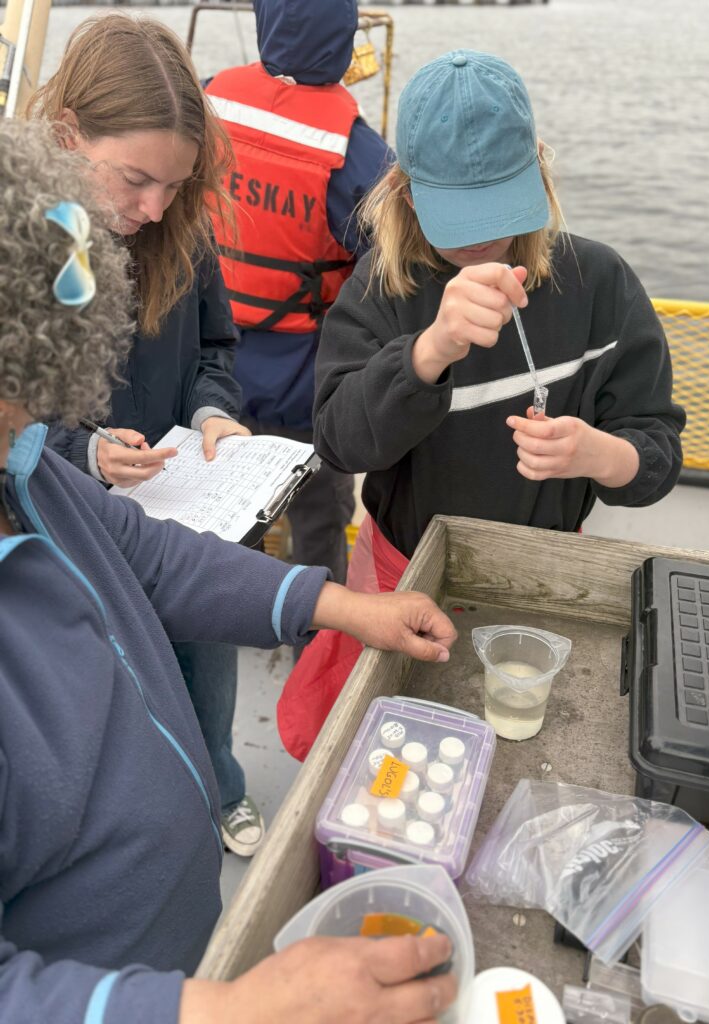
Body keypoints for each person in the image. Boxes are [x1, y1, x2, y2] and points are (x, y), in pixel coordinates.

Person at [0, 116, 458, 1024]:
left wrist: (336, 606)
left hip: (185, 959)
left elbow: (149, 556)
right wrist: (230, 1013)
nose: (32, 438)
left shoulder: (28, 470)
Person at [277, 49, 686, 759]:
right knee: (399, 759)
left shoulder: (601, 283)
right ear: (406, 195)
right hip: (403, 577)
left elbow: (657, 456)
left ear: (537, 173)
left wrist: (600, 453)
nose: (477, 237)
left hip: (546, 581)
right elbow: (339, 443)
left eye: (496, 206)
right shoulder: (381, 288)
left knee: (532, 753)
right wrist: (427, 352)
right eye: (456, 213)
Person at [31, 13, 264, 856]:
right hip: (70, 525)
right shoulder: (25, 244)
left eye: (175, 186)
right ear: (66, 136)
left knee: (205, 651)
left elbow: (214, 350)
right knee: (101, 684)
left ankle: (222, 784)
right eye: (134, 180)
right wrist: (84, 454)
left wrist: (210, 412)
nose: (153, 207)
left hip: (179, 503)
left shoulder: (179, 229)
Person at [204, 0, 393, 596]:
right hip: (305, 391)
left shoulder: (207, 99)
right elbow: (388, 275)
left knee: (222, 513)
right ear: (343, 35)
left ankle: (226, 608)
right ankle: (314, 639)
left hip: (209, 375)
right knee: (318, 519)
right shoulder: (360, 154)